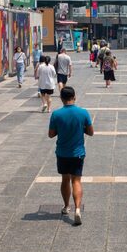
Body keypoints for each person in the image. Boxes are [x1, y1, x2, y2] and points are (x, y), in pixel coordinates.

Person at [48, 86, 94, 226]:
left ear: (61, 98)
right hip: (78, 153)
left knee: (65, 179)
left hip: (62, 153)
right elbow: (91, 132)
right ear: (74, 97)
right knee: (76, 181)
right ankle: (78, 209)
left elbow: (51, 134)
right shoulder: (83, 113)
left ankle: (66, 206)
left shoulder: (56, 114)